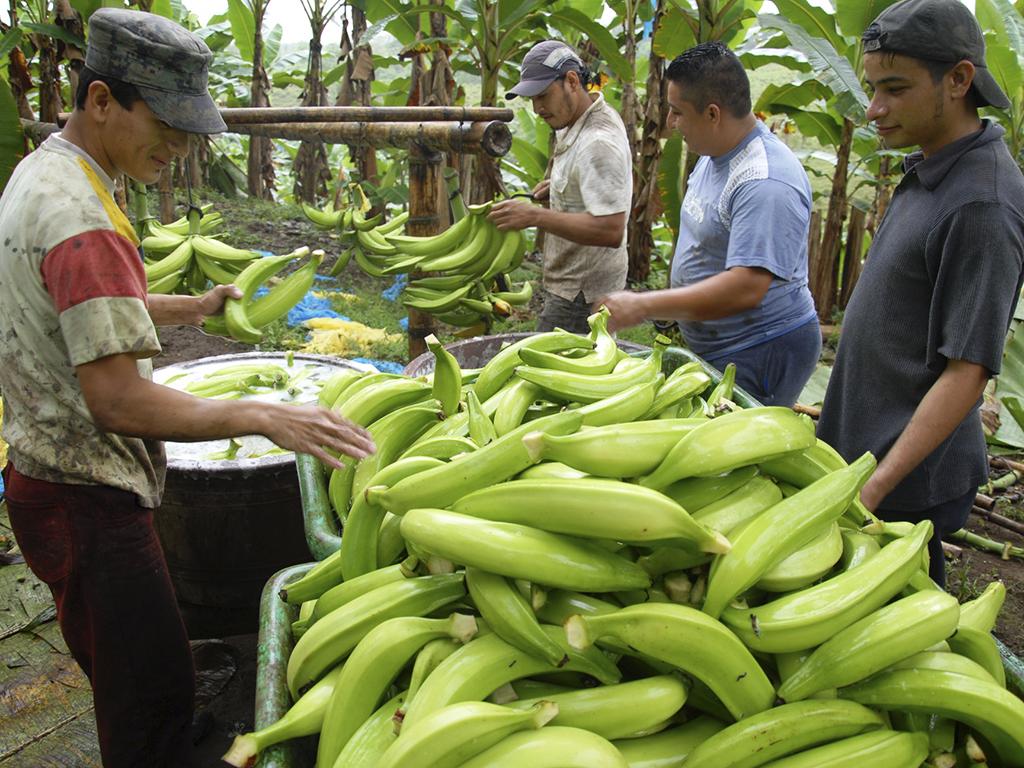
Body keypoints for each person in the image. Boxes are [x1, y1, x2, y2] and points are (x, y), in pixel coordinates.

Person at [0, 9, 375, 766]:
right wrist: (262, 415)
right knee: (143, 699)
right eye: (165, 124)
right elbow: (116, 400)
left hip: (44, 477)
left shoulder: (51, 173)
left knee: (142, 664)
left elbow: (79, 306)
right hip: (87, 494)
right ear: (102, 100)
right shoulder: (83, 220)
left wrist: (192, 307)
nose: (177, 146)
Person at [817, 0, 1024, 588]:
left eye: (895, 89)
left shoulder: (981, 203)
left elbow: (967, 371)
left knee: (889, 628)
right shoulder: (935, 165)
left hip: (904, 484)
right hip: (871, 457)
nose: (874, 109)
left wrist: (875, 488)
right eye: (872, 87)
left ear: (958, 80)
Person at [597, 42, 821, 407]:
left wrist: (644, 305)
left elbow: (746, 287)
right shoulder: (715, 152)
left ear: (713, 114)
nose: (670, 123)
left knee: (735, 453)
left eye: (677, 112)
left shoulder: (765, 182)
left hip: (759, 349)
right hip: (722, 343)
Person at [488, 40, 632, 334]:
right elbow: (597, 185)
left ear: (571, 81)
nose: (537, 108)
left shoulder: (598, 142)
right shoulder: (579, 118)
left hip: (583, 295)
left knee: (544, 374)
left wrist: (534, 217)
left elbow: (611, 229)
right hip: (572, 285)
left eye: (543, 95)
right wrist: (559, 188)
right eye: (531, 99)